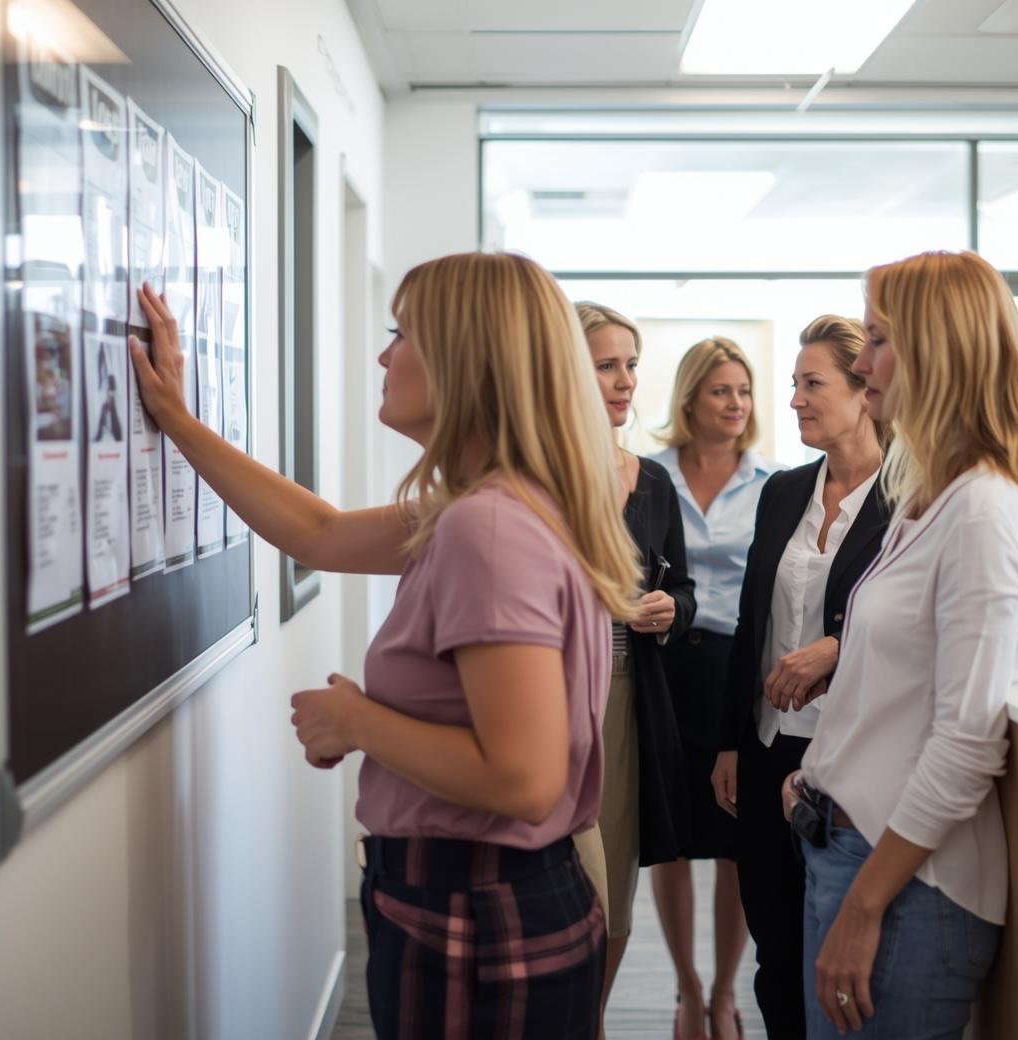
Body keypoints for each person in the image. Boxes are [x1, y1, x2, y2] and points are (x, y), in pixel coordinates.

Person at [129, 253, 643, 1039]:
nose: (382, 354)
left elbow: (525, 778)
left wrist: (356, 722)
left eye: (402, 333)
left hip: (478, 911)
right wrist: (178, 418)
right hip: (491, 899)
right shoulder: (495, 504)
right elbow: (319, 531)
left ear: (466, 362)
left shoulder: (489, 527)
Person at [786, 250, 1018, 1039]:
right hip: (855, 851)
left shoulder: (985, 510)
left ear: (938, 351)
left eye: (879, 339)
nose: (865, 362)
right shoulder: (930, 498)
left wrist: (866, 903)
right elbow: (891, 679)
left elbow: (969, 739)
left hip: (906, 887)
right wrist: (819, 776)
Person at [711, 315, 892, 1039]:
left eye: (811, 384)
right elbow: (751, 625)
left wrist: (838, 646)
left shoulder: (913, 498)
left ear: (863, 390)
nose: (793, 401)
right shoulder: (783, 492)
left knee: (840, 954)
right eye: (793, 385)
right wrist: (731, 739)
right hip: (766, 750)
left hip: (848, 755)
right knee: (776, 947)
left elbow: (919, 628)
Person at [573, 301, 698, 1036]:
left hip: (624, 696)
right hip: (554, 693)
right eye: (606, 366)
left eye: (630, 366)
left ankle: (590, 1017)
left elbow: (680, 585)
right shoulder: (538, 473)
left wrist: (666, 609)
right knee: (562, 873)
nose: (625, 382)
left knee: (614, 875)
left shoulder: (648, 480)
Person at [651, 336, 777, 1040]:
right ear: (691, 397)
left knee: (735, 839)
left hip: (736, 671)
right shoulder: (647, 476)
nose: (736, 404)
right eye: (721, 390)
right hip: (663, 667)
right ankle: (686, 987)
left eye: (745, 391)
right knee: (668, 837)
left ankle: (727, 991)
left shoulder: (774, 483)